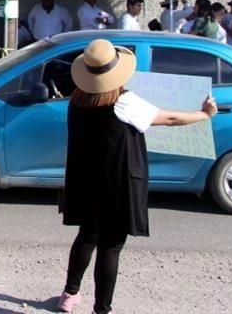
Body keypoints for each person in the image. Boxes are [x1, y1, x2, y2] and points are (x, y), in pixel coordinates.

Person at [56, 38, 216, 314]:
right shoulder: (124, 102)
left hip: (86, 180)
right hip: (118, 182)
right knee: (111, 246)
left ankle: (69, 295)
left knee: (87, 236)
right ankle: (102, 309)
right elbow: (170, 119)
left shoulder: (77, 100)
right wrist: (204, 114)